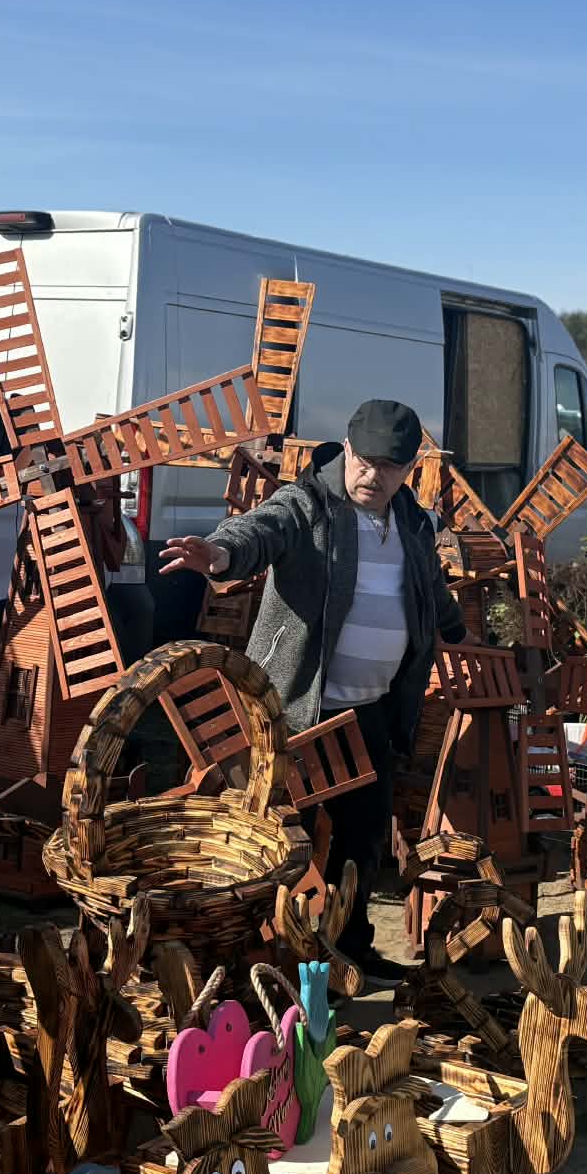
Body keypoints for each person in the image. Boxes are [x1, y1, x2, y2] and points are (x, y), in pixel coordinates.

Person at [159, 399, 465, 983]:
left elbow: (428, 587)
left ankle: (349, 948)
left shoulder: (413, 522)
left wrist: (457, 631)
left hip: (370, 710)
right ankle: (258, 955)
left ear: (410, 469)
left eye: (390, 466)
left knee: (363, 836)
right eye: (365, 460)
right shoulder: (308, 504)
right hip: (298, 709)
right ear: (346, 450)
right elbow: (259, 531)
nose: (373, 475)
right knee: (277, 835)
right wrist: (221, 554)